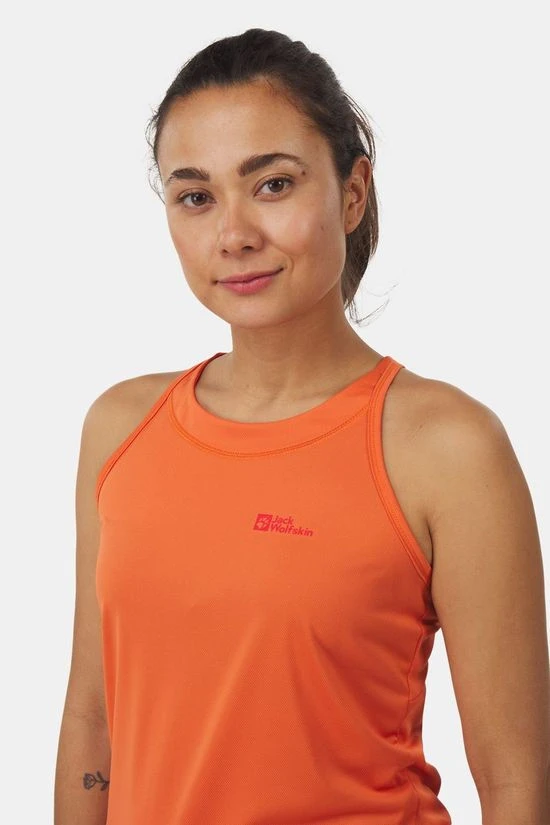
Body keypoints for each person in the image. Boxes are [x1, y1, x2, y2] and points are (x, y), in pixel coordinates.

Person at [54, 27, 550, 825]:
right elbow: (92, 720)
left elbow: (514, 780)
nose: (234, 234)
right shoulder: (119, 429)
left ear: (353, 192)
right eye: (196, 197)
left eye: (274, 184)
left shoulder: (447, 448)